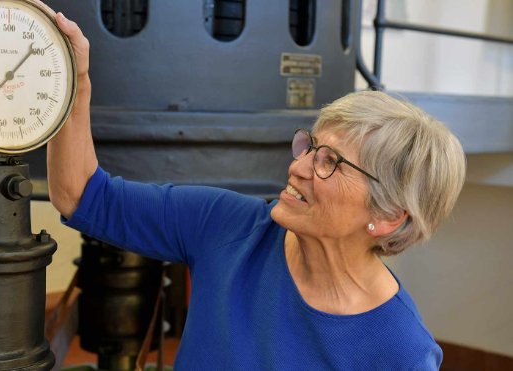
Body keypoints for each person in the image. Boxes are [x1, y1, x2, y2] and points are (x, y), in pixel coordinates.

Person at [48, 12, 466, 370]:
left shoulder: (400, 352)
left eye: (330, 162)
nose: (298, 166)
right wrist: (74, 80)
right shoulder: (226, 226)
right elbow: (83, 196)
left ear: (390, 215)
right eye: (311, 146)